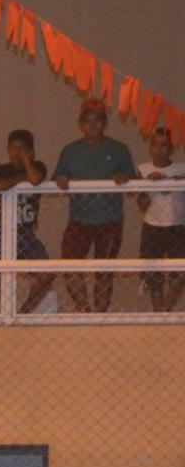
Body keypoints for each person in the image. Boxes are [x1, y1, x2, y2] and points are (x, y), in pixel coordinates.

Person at [52, 99, 136, 312]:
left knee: (104, 271)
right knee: (69, 266)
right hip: (79, 219)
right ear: (80, 124)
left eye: (98, 120)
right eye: (88, 120)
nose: (93, 125)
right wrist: (61, 179)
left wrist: (124, 178)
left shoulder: (119, 149)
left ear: (105, 123)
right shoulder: (70, 151)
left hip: (110, 220)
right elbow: (59, 176)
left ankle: (100, 315)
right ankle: (85, 311)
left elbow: (133, 183)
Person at [4, 128, 55, 312]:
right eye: (13, 148)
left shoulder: (38, 166)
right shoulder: (3, 169)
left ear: (31, 151)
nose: (17, 153)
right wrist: (19, 178)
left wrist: (26, 162)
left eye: (22, 149)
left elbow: (34, 179)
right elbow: (0, 184)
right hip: (1, 230)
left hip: (25, 232)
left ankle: (24, 312)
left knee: (46, 273)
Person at [136, 125, 185, 312]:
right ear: (150, 147)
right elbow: (142, 204)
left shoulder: (181, 168)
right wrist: (147, 185)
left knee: (179, 271)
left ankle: (166, 307)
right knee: (153, 272)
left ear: (172, 148)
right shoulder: (144, 169)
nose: (159, 149)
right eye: (155, 145)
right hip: (152, 225)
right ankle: (158, 310)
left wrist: (178, 182)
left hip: (177, 225)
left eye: (164, 145)